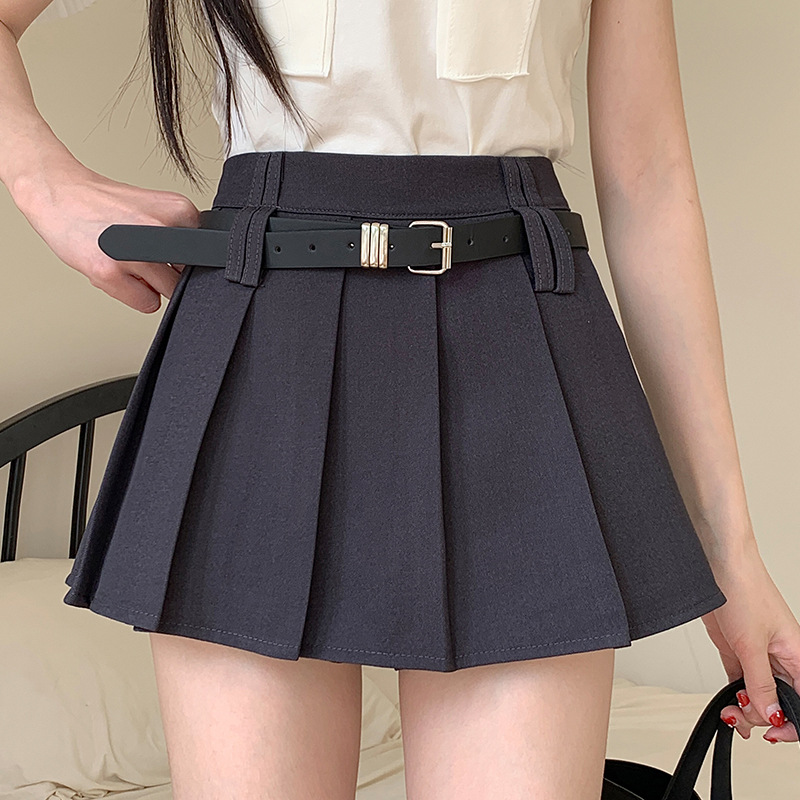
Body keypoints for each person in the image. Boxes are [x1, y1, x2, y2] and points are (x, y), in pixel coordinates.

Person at [2, 0, 798, 798]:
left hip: (519, 342)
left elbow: (650, 179)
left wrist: (730, 551)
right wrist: (48, 185)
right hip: (265, 342)